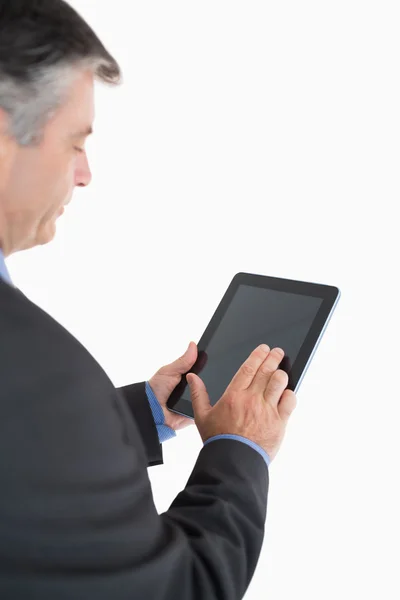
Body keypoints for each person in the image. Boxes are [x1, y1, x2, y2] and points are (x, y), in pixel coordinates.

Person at [0, 1, 297, 598]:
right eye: (75, 143)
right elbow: (179, 588)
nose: (84, 174)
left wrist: (145, 415)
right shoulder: (38, 375)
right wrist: (240, 451)